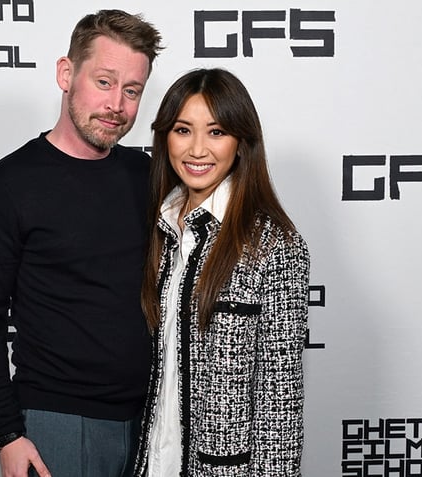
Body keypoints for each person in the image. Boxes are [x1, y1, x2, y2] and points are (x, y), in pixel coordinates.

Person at [0, 10, 163, 477]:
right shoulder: (9, 184)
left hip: (151, 419)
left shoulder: (146, 175)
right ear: (66, 74)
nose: (117, 104)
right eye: (104, 81)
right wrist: (8, 433)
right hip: (57, 422)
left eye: (131, 90)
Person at [133, 68, 310, 476]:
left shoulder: (273, 244)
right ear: (165, 138)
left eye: (215, 132)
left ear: (241, 142)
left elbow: (279, 402)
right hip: (152, 462)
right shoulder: (160, 227)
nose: (197, 149)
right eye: (182, 130)